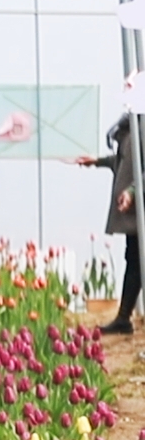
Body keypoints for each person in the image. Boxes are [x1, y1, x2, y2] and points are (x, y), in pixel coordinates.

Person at [77, 117, 139, 334]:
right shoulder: (133, 122)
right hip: (134, 211)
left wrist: (132, 191)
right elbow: (126, 162)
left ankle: (123, 318)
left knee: (136, 260)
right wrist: (97, 161)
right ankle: (123, 318)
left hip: (138, 207)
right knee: (134, 259)